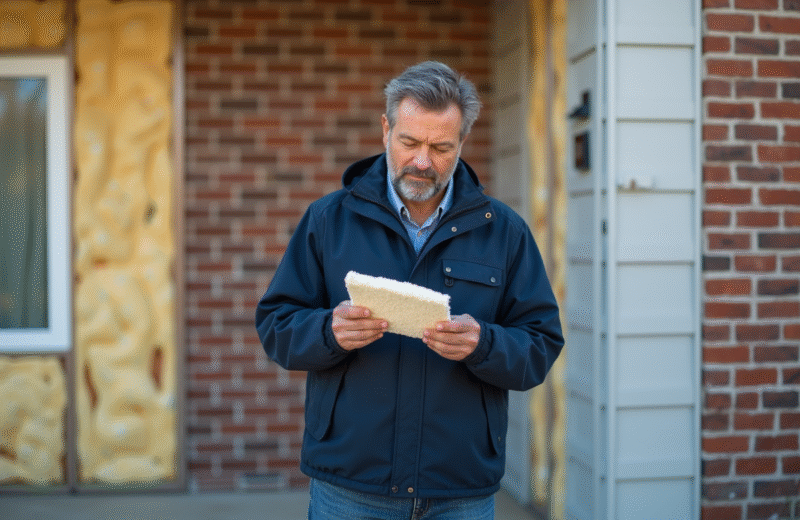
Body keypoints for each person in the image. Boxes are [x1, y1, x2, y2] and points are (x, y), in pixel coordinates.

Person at [255, 61, 563, 519]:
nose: (422, 161)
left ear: (462, 142)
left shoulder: (506, 232)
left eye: (440, 147)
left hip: (459, 488)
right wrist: (327, 332)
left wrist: (486, 343)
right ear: (385, 130)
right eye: (410, 142)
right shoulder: (328, 220)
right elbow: (276, 326)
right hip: (351, 485)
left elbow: (540, 344)